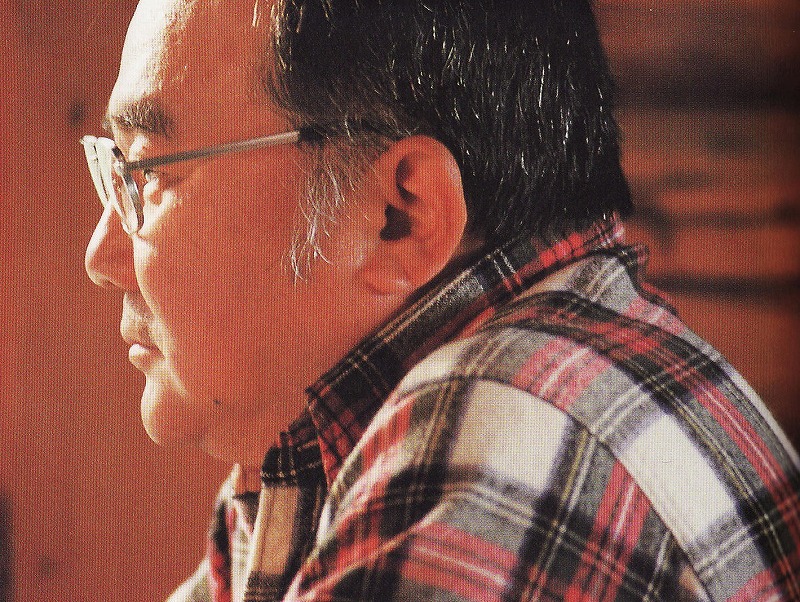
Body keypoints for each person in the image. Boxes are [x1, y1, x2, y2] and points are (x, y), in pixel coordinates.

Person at [81, 0, 800, 600]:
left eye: (146, 173)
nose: (101, 257)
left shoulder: (491, 449)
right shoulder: (309, 451)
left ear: (399, 216)